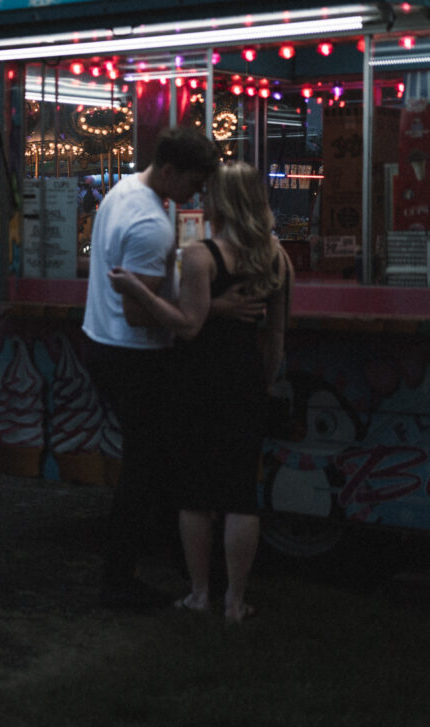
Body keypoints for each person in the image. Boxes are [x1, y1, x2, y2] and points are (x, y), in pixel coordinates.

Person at [108, 161, 293, 623]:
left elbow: (188, 326)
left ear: (220, 202)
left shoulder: (200, 256)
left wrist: (138, 290)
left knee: (194, 493)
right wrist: (266, 379)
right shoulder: (277, 257)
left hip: (196, 380)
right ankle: (235, 601)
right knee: (239, 493)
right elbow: (275, 334)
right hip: (246, 376)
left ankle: (198, 593)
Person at [82, 126, 220, 610]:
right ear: (168, 171)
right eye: (193, 183)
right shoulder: (151, 226)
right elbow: (140, 312)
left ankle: (174, 563)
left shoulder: (123, 191)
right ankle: (119, 581)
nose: (196, 194)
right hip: (135, 354)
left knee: (153, 462)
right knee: (144, 469)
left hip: (103, 340)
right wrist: (198, 299)